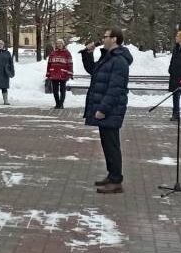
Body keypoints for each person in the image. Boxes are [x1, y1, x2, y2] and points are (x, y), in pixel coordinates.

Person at [81, 28, 132, 195]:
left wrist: (103, 109)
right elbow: (94, 72)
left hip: (111, 109)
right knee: (107, 144)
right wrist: (87, 54)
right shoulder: (108, 57)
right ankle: (112, 176)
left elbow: (115, 88)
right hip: (106, 107)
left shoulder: (119, 61)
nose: (103, 39)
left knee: (112, 145)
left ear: (115, 39)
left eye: (105, 36)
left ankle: (116, 181)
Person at [45, 40, 73, 109]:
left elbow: (70, 64)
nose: (59, 45)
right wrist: (48, 73)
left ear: (63, 44)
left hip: (63, 74)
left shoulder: (67, 53)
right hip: (54, 73)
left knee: (62, 90)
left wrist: (70, 73)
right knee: (55, 90)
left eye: (60, 43)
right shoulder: (53, 53)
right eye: (57, 43)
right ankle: (57, 104)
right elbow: (49, 64)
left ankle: (61, 104)